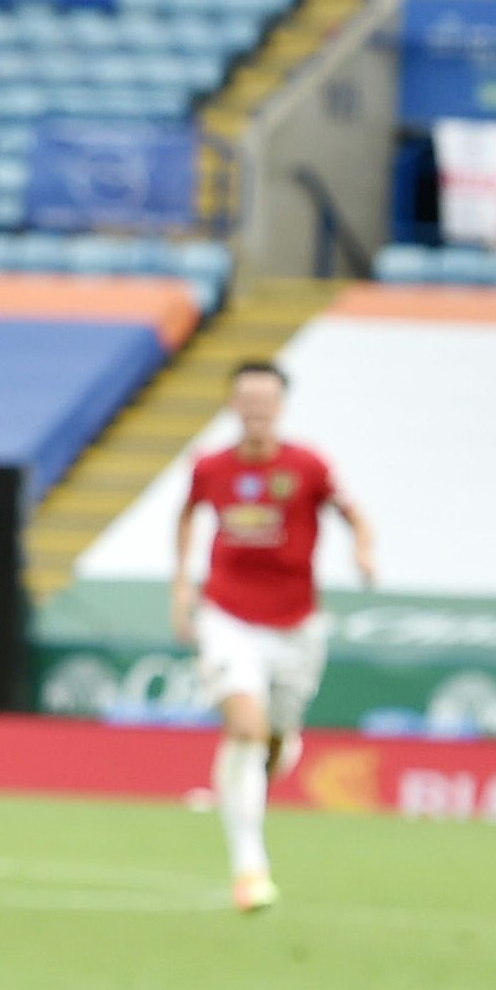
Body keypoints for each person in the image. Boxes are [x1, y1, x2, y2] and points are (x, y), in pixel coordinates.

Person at [171, 358, 377, 914]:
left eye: (266, 401)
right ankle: (250, 867)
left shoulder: (308, 466)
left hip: (296, 624)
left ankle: (261, 765)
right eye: (247, 400)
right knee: (246, 727)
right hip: (228, 615)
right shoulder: (211, 467)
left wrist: (363, 550)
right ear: (234, 405)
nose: (256, 411)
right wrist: (181, 586)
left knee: (274, 740)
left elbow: (352, 513)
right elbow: (187, 515)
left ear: (280, 407)